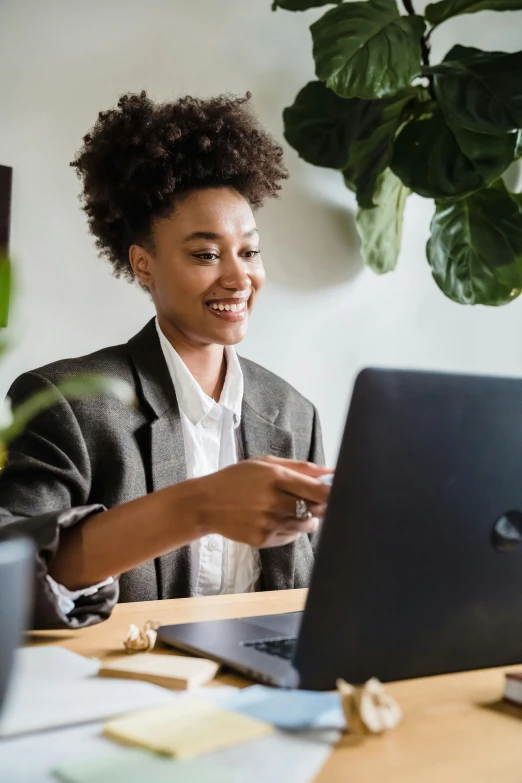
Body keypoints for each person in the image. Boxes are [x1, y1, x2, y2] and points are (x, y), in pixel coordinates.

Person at [0, 91, 330, 630]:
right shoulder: (70, 402)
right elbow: (13, 573)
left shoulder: (294, 413)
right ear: (144, 265)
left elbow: (307, 595)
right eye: (205, 253)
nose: (237, 276)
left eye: (249, 251)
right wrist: (198, 506)